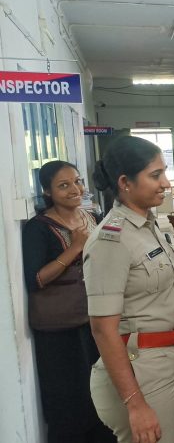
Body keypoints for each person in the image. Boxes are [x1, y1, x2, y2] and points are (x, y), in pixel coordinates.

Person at [83, 136, 174, 443]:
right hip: (139, 370)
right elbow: (103, 329)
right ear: (125, 183)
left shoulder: (147, 226)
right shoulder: (111, 240)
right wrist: (135, 403)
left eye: (164, 173)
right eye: (155, 175)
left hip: (168, 358)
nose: (166, 183)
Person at [22, 161, 115, 443]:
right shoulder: (38, 228)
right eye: (64, 185)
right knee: (69, 397)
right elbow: (36, 279)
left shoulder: (92, 216)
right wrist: (75, 247)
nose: (75, 189)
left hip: (95, 318)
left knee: (100, 389)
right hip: (60, 330)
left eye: (78, 181)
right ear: (47, 192)